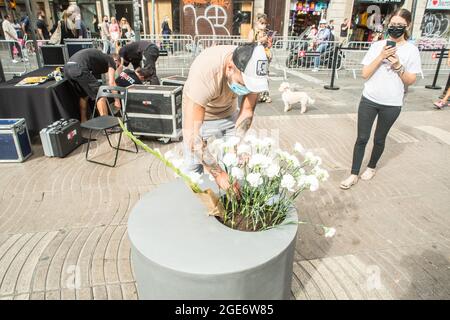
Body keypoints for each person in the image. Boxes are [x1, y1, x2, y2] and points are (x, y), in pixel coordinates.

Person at [340, 9, 422, 190]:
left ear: (407, 26)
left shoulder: (411, 50)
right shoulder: (377, 46)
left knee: (379, 138)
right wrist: (381, 57)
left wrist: (398, 65)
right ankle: (353, 173)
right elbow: (364, 74)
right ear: (388, 24)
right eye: (393, 25)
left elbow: (410, 80)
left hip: (392, 104)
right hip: (369, 99)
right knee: (362, 137)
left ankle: (371, 167)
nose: (396, 28)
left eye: (400, 25)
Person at [182, 43, 269, 190]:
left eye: (251, 87)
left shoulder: (254, 69)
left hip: (228, 114)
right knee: (193, 167)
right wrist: (218, 174)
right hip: (201, 116)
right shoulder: (205, 71)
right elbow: (193, 138)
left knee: (231, 164)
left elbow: (247, 110)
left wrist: (236, 143)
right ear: (229, 68)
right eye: (243, 84)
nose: (247, 90)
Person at [64, 49, 121, 123]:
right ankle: (107, 125)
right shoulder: (111, 60)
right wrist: (117, 101)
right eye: (118, 65)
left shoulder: (100, 58)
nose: (116, 68)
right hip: (78, 67)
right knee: (101, 95)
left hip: (67, 68)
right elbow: (112, 82)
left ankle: (83, 121)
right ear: (116, 60)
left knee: (84, 96)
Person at [247, 13, 273, 103]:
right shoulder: (252, 32)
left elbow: (269, 46)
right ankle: (255, 95)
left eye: (265, 23)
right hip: (255, 57)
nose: (264, 25)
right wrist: (260, 40)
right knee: (256, 76)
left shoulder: (266, 32)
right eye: (262, 23)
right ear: (257, 23)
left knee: (265, 76)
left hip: (265, 57)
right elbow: (249, 44)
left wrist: (269, 42)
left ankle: (264, 96)